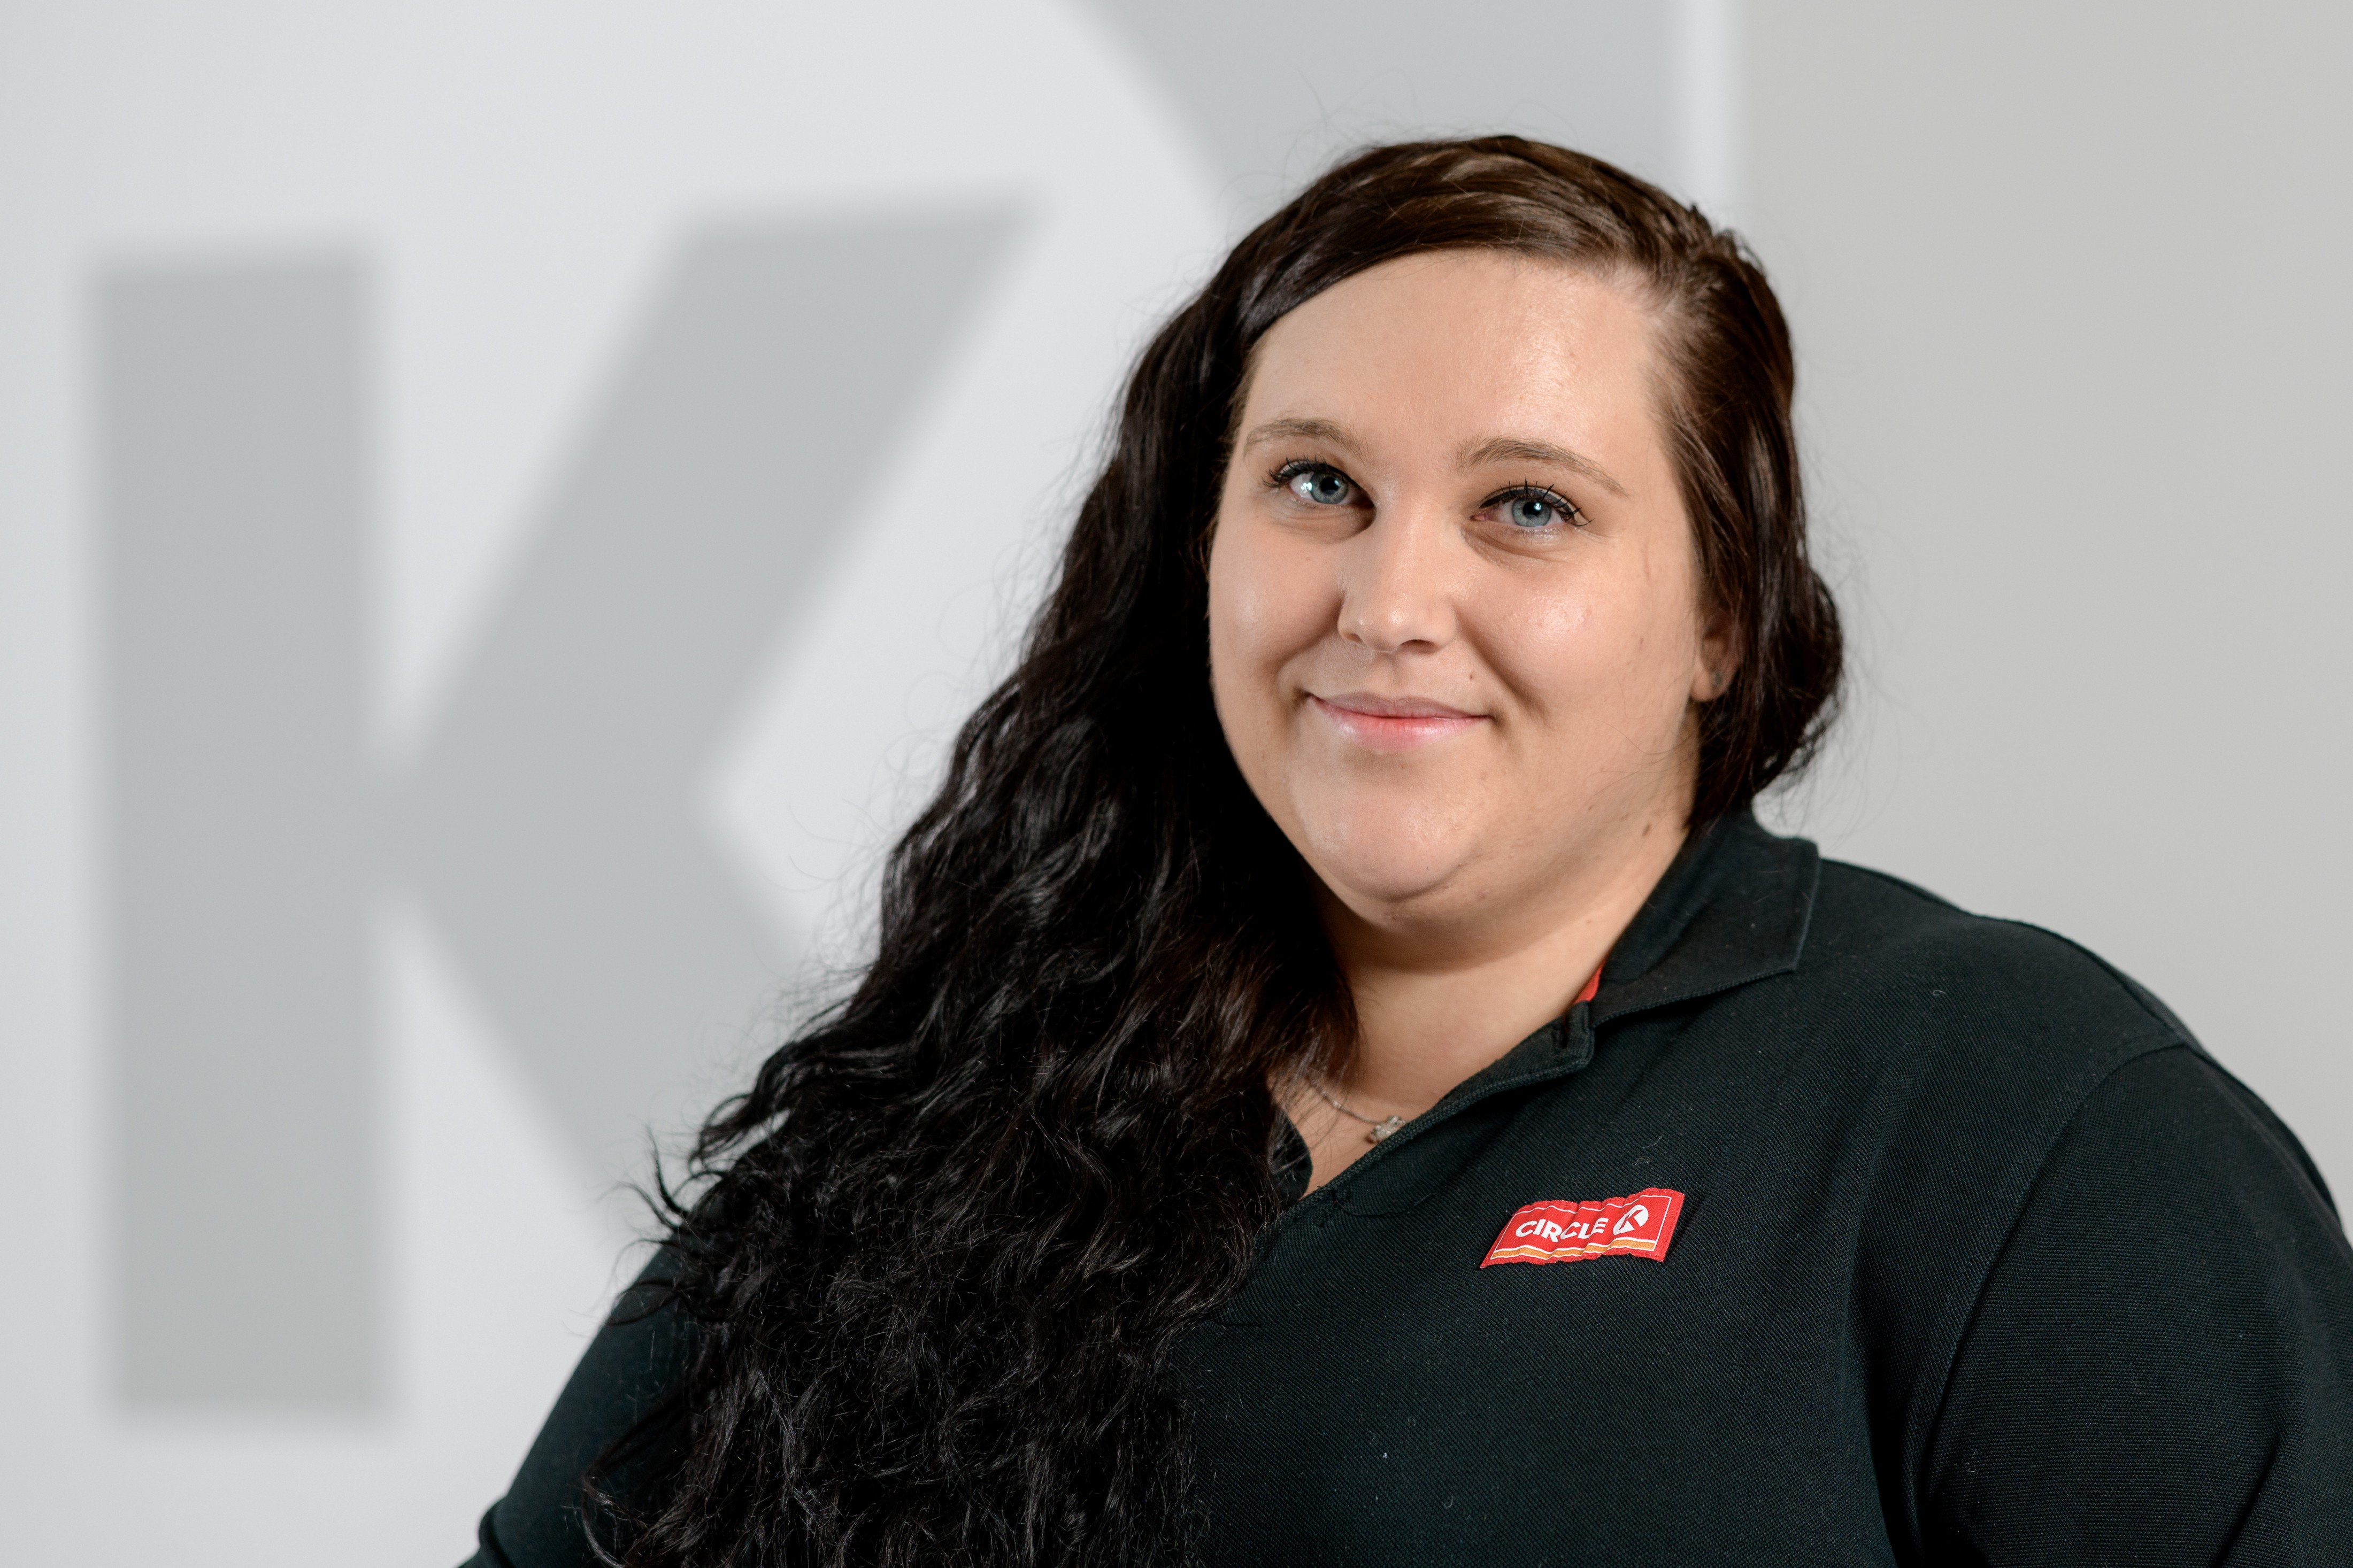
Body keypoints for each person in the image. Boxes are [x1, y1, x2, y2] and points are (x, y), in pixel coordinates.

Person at [465, 138, 2353, 1567]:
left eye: (1528, 508)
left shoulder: (2016, 1112)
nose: (1387, 601)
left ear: (1723, 617)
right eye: (1318, 485)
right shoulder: (946, 1123)